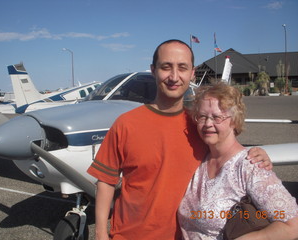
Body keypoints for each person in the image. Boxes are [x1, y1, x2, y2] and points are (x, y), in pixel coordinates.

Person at [87, 39, 272, 240]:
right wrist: (100, 233)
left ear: (192, 73)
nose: (174, 77)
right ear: (153, 70)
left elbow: (230, 154)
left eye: (182, 68)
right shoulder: (126, 124)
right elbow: (105, 181)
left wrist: (255, 155)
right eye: (166, 67)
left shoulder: (201, 126)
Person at [178, 82, 298, 239]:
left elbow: (292, 225)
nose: (208, 124)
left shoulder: (250, 165)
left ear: (234, 120)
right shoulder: (199, 158)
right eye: (202, 116)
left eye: (217, 117)